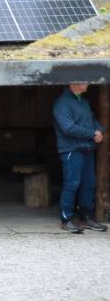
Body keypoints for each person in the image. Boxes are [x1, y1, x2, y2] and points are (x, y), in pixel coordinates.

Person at [55, 81, 106, 233]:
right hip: (71, 149)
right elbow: (68, 127)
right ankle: (66, 219)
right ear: (73, 83)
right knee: (72, 184)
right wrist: (92, 134)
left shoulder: (83, 101)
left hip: (86, 148)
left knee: (89, 184)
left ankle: (86, 217)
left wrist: (98, 130)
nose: (88, 83)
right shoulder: (62, 103)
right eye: (84, 80)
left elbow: (92, 119)